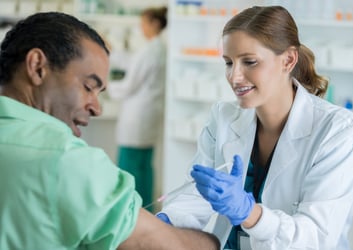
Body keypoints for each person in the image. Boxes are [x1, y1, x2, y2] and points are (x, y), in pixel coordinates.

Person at [0, 12, 220, 250]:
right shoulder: (64, 157)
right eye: (88, 87)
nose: (96, 107)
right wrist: (218, 240)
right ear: (37, 67)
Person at [156, 5, 353, 250]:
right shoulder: (223, 116)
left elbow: (316, 237)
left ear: (288, 60)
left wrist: (250, 213)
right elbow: (198, 195)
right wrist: (162, 223)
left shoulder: (338, 130)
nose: (235, 77)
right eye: (228, 63)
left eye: (249, 62)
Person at [107, 6, 168, 213]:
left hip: (137, 117)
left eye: (144, 23)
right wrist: (112, 51)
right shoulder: (157, 48)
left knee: (128, 166)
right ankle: (145, 209)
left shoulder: (151, 50)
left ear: (155, 24)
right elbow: (131, 62)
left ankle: (129, 210)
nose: (141, 27)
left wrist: (106, 87)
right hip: (148, 116)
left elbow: (130, 83)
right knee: (144, 167)